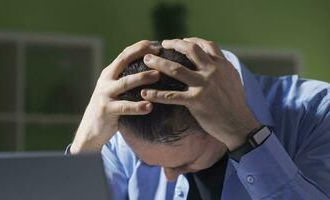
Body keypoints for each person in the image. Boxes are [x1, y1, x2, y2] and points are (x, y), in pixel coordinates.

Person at [67, 38, 330, 200]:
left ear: (218, 123)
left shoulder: (320, 113)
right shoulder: (125, 127)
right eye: (147, 163)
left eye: (185, 164)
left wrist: (246, 135)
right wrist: (85, 146)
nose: (168, 177)